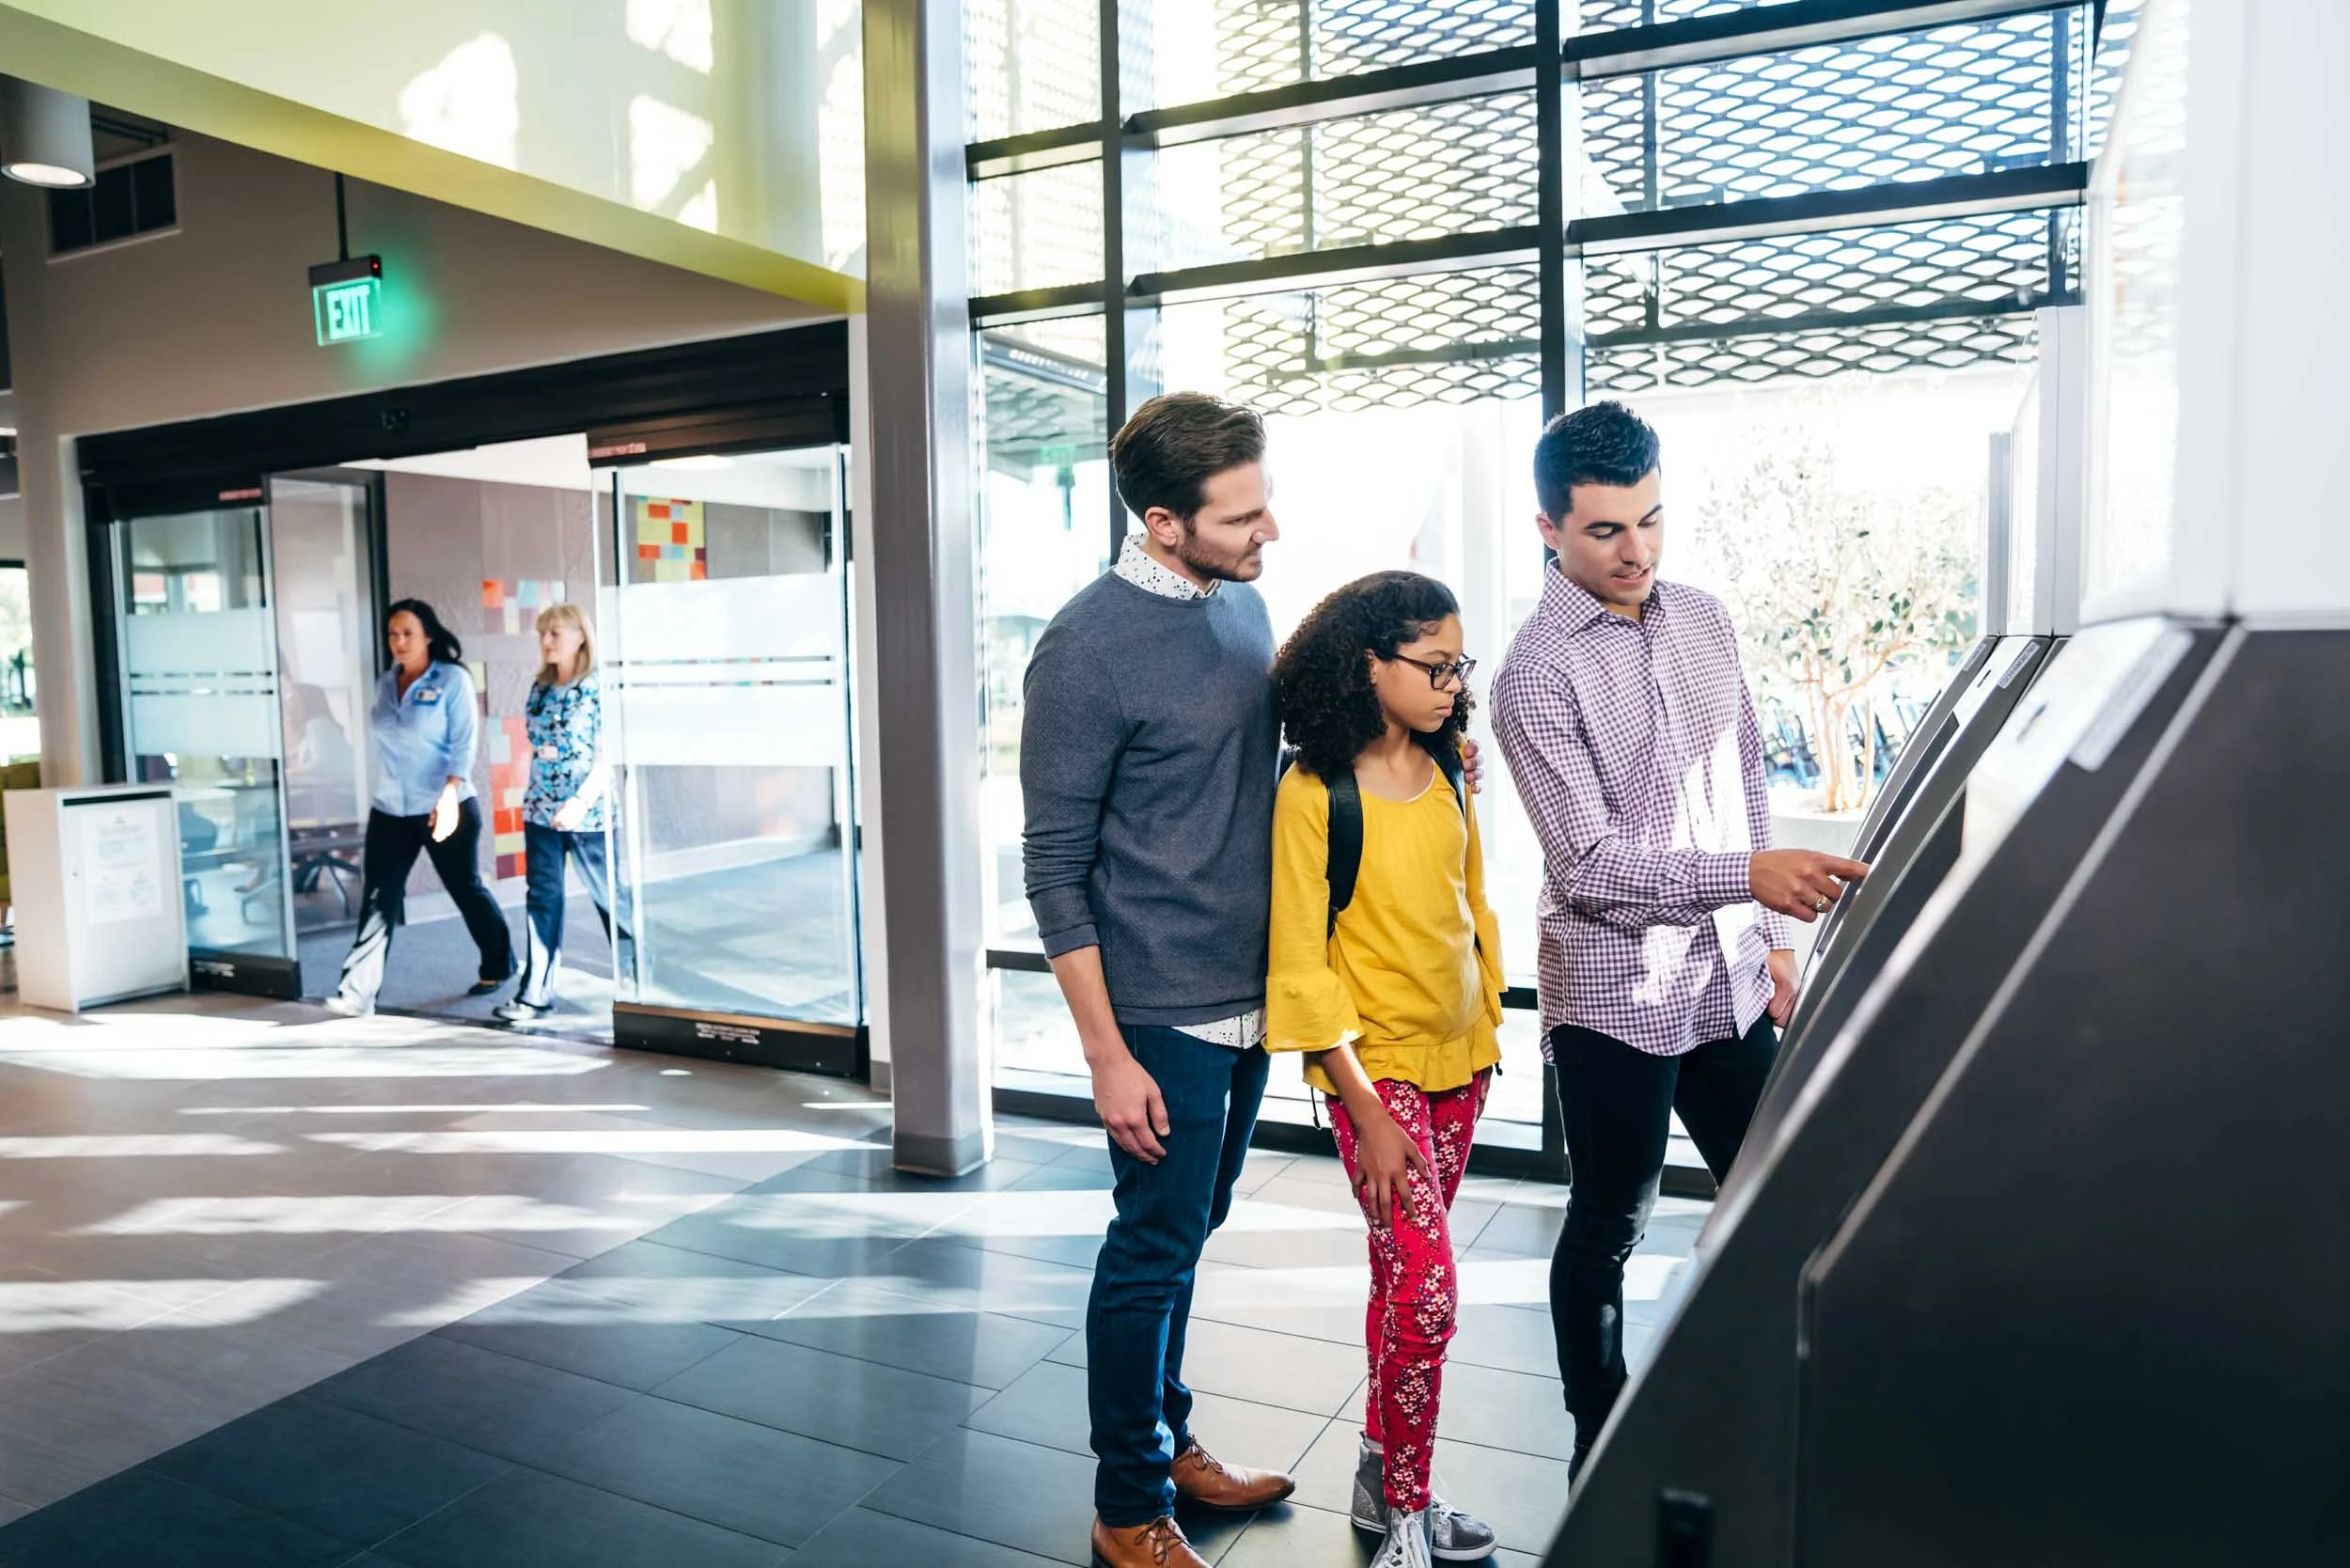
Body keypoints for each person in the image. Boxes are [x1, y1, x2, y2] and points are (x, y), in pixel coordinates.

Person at [1490, 400, 1870, 1476]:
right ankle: (1596, 1441)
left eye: (1651, 520)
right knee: (1613, 1218)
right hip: (1614, 994)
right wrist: (1744, 878)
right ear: (1548, 528)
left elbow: (1740, 777)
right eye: (1606, 530)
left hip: (1727, 977)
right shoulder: (1534, 676)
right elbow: (1589, 868)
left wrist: (1769, 938)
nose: (1637, 550)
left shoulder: (1704, 618)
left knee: (1774, 1203)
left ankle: (1770, 1415)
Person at [1022, 392, 1300, 1568]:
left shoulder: (1243, 605)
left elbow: (1253, 777)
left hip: (1250, 997)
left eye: (1263, 503)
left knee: (1189, 1233)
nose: (1268, 530)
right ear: (1162, 522)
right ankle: (1127, 1505)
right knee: (1148, 1252)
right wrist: (1106, 1055)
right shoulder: (1083, 650)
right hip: (1158, 1017)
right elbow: (1053, 867)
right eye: (1240, 516)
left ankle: (1167, 1438)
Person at [1266, 571, 1503, 1568]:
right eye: (1434, 666)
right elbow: (1299, 962)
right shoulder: (1312, 792)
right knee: (1430, 1294)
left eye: (1459, 666)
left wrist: (1488, 1023)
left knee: (1400, 1280)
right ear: (1369, 665)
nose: (1454, 685)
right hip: (1377, 1078)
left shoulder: (1450, 765)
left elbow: (1468, 903)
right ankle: (1406, 1510)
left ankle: (1381, 1472)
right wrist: (1362, 1106)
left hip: (1463, 1060)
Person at [324, 599, 515, 1015]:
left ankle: (499, 963)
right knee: (378, 897)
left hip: (444, 805)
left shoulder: (452, 680)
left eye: (408, 633)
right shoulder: (384, 684)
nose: (399, 641)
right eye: (393, 634)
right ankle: (357, 993)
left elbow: (463, 744)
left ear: (428, 635)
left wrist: (449, 795)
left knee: (465, 888)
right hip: (391, 807)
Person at [495, 604, 629, 1023]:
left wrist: (580, 802)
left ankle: (640, 985)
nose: (547, 641)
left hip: (589, 813)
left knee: (609, 900)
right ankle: (535, 994)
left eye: (555, 633)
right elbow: (538, 748)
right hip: (541, 810)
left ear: (580, 636)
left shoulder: (598, 688)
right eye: (543, 633)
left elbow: (609, 758)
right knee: (542, 900)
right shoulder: (540, 688)